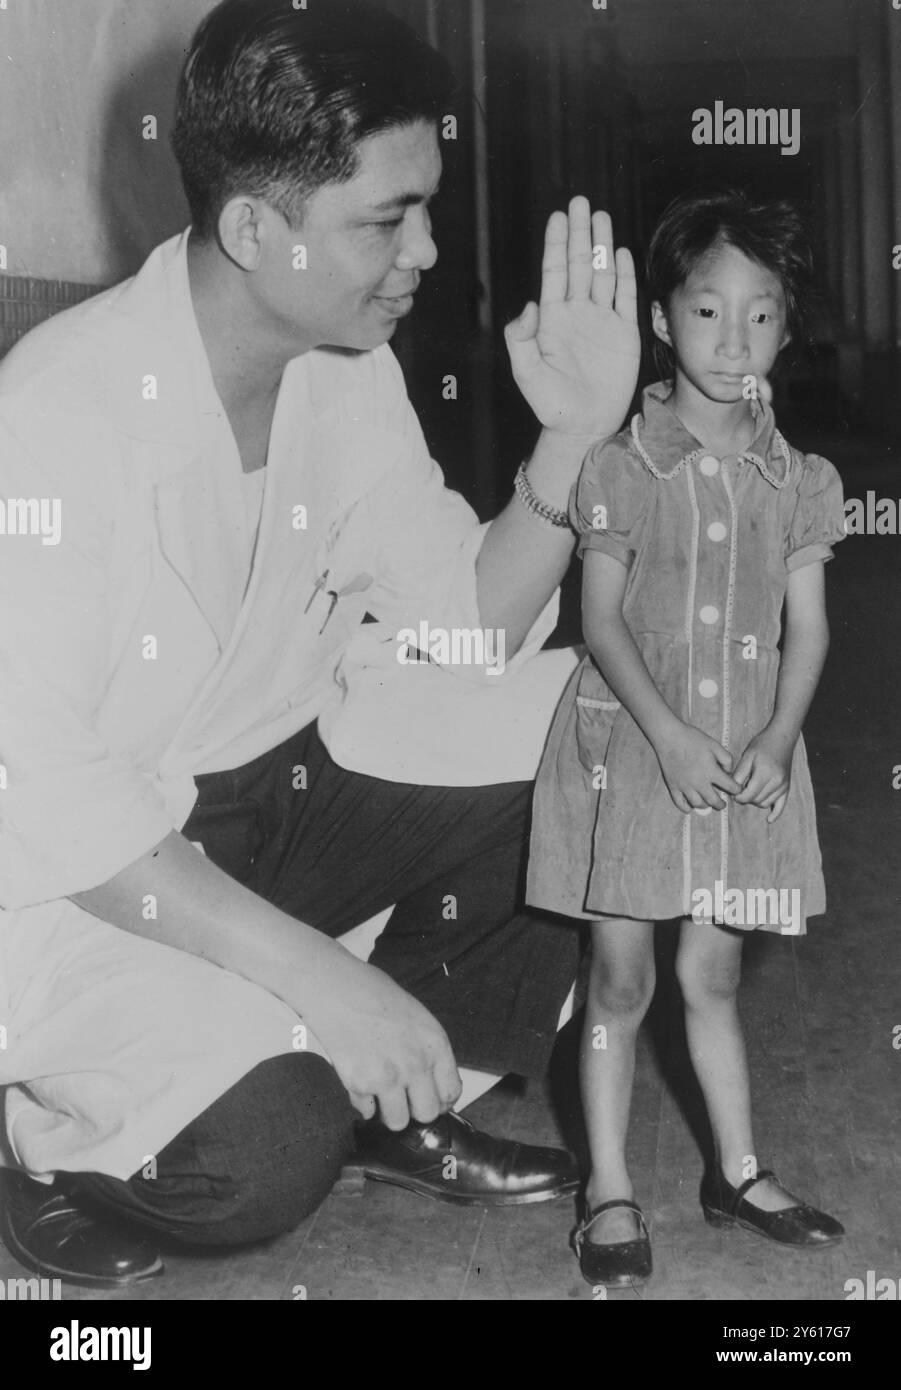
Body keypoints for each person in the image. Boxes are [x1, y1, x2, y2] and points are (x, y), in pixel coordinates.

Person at [0, 0, 641, 1287]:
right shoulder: (53, 419)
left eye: (426, 207)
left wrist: (569, 449)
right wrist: (320, 979)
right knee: (264, 1155)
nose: (427, 249)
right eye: (385, 218)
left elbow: (463, 640)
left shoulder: (342, 366)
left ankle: (402, 1103)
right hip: (84, 881)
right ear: (253, 229)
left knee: (594, 734)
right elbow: (50, 804)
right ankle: (50, 1147)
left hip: (277, 800)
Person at [527, 190, 847, 1289]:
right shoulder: (620, 464)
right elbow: (600, 618)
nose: (733, 339)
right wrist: (664, 733)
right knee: (621, 980)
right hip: (634, 753)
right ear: (662, 319)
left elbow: (805, 629)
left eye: (760, 316)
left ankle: (738, 1171)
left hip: (742, 760)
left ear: (785, 329)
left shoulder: (799, 479)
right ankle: (606, 1187)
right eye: (707, 312)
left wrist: (779, 735)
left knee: (711, 978)